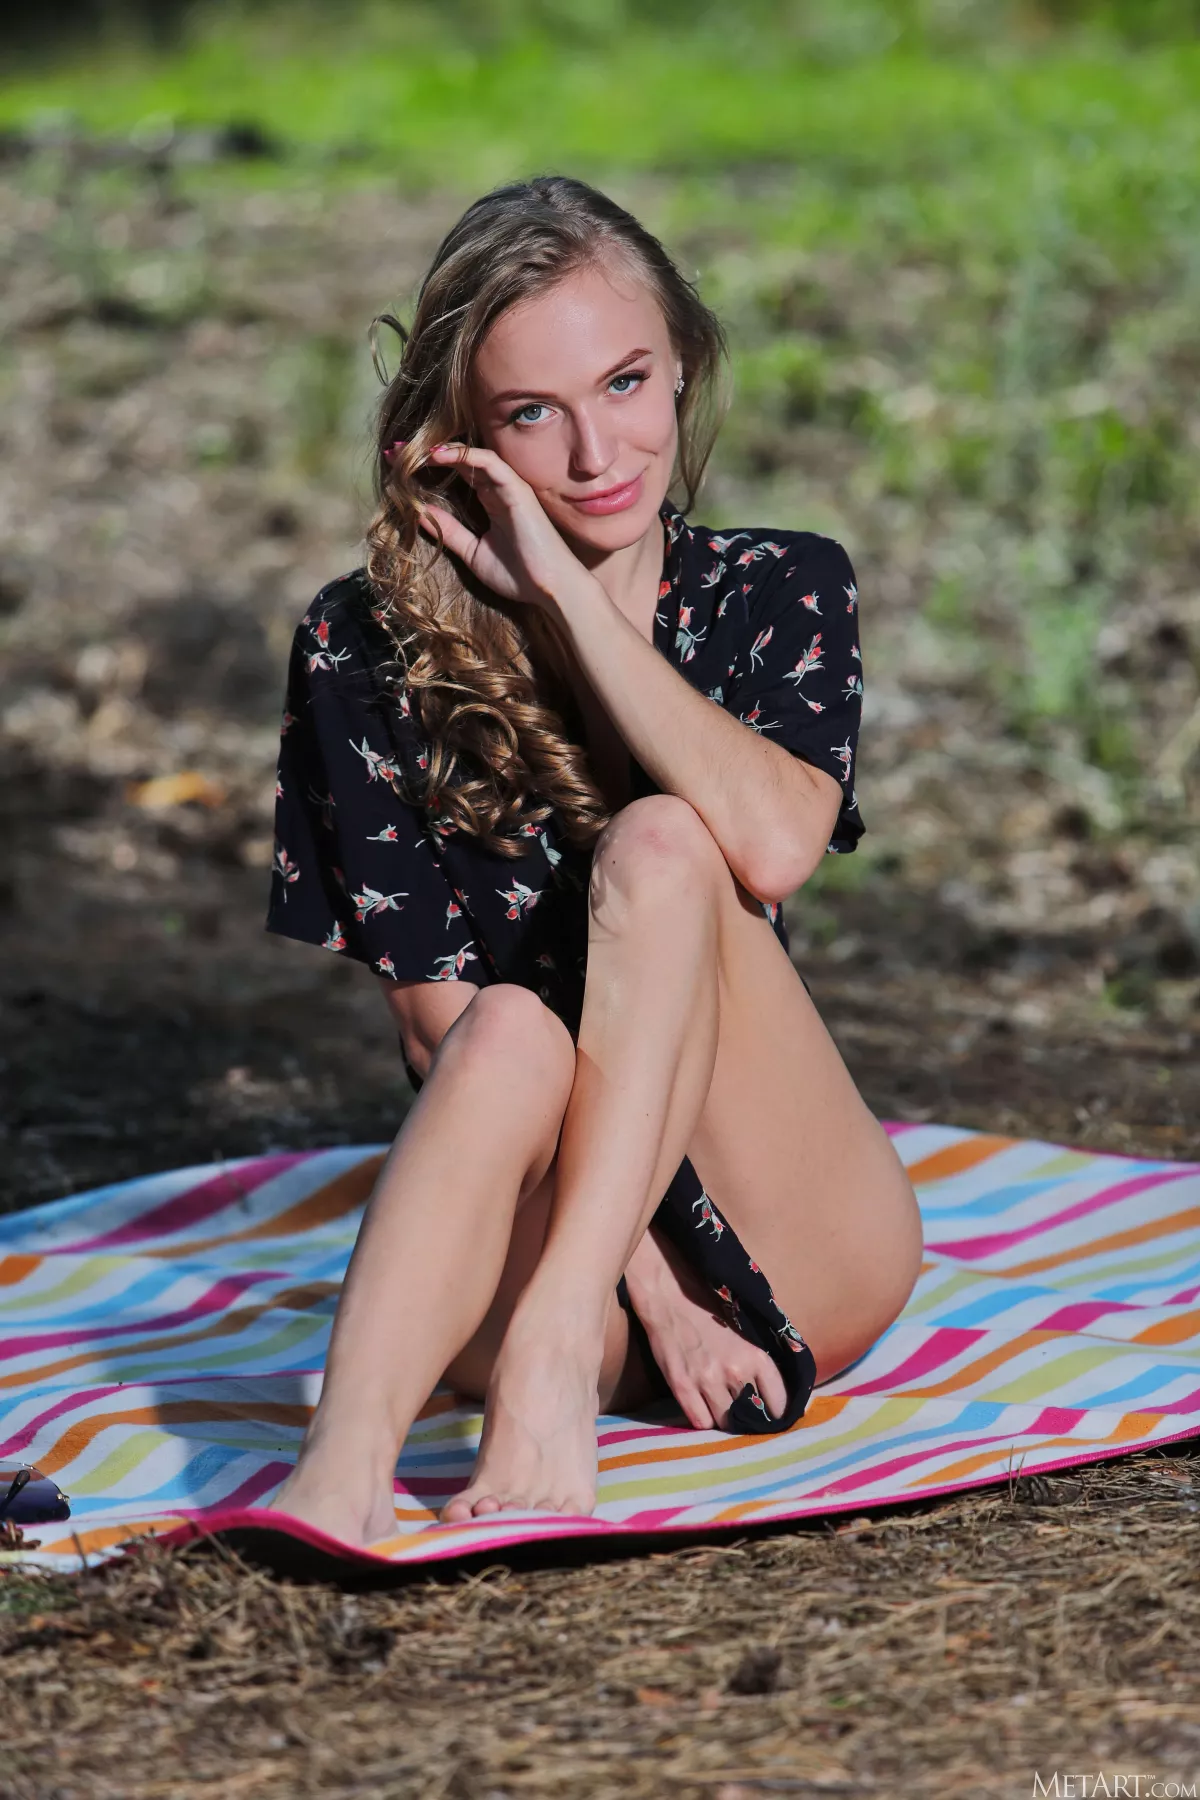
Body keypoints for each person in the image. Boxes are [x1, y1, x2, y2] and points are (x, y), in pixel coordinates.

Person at [265, 174, 923, 1546]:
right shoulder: (359, 648)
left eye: (624, 382)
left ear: (681, 358)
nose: (594, 455)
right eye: (531, 413)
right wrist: (652, 1297)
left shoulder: (778, 588)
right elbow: (435, 1029)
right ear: (461, 436)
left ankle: (556, 1347)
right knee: (503, 1029)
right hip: (545, 1262)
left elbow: (774, 845)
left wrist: (564, 594)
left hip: (799, 1239)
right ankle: (340, 1473)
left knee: (668, 840)